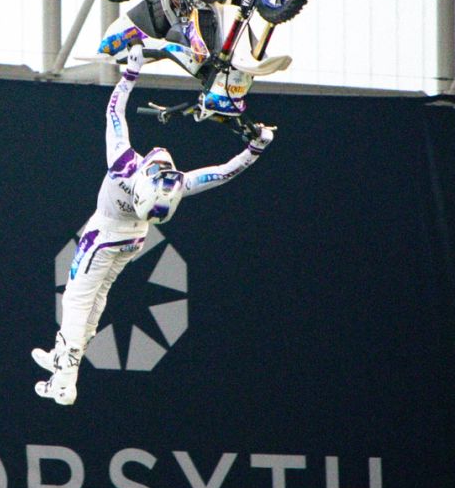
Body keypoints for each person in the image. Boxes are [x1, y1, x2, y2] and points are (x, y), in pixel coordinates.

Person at [33, 40, 275, 405]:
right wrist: (255, 148)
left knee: (76, 300)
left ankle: (65, 380)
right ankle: (67, 357)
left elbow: (114, 113)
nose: (163, 164)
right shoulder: (178, 184)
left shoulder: (124, 165)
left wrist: (130, 73)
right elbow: (222, 173)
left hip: (104, 234)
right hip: (132, 240)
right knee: (98, 297)